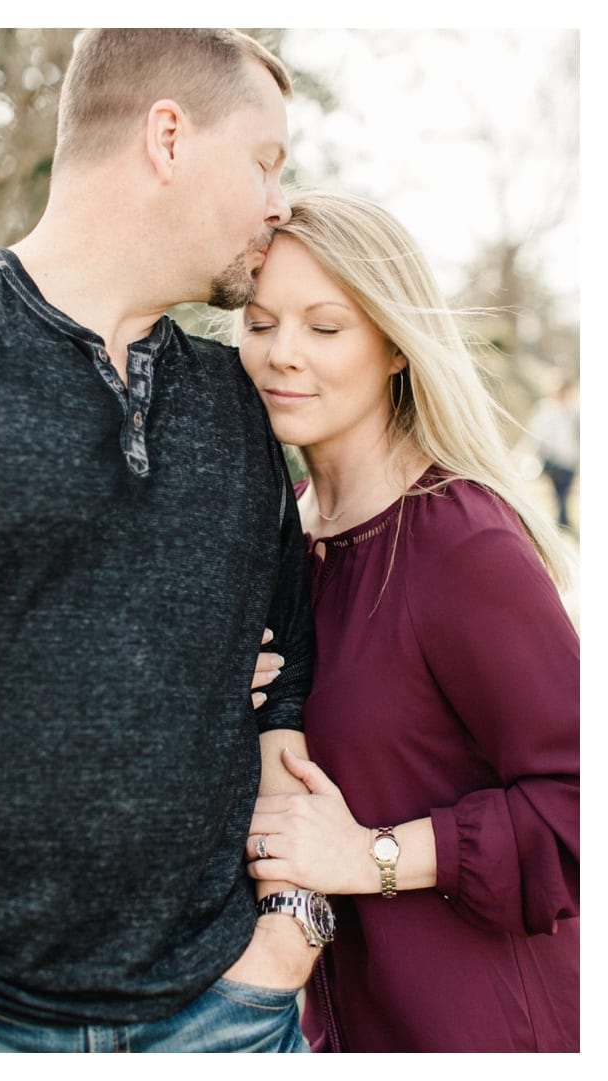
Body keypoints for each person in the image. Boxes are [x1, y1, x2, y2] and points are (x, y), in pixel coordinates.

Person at [0, 29, 327, 1053]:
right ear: (167, 137)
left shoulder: (240, 402)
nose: (280, 202)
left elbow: (288, 677)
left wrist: (284, 944)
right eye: (264, 161)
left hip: (217, 1017)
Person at [237, 190, 579, 1052]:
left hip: (482, 1031)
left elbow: (580, 799)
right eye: (259, 321)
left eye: (325, 327)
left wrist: (371, 856)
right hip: (331, 1028)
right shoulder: (286, 539)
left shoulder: (459, 542)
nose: (283, 355)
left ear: (392, 345)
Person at [529, 380, 579, 530]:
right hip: (553, 458)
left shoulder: (572, 412)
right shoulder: (545, 409)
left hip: (569, 458)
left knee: (563, 491)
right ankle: (561, 520)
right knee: (558, 491)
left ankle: (562, 519)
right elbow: (537, 433)